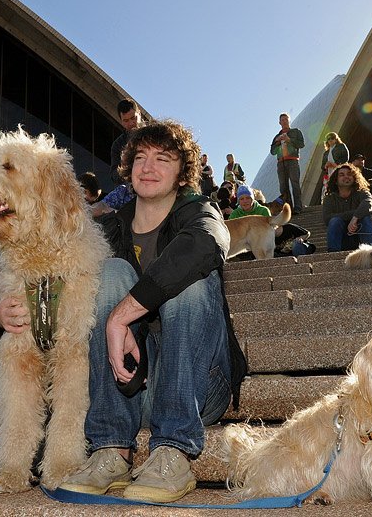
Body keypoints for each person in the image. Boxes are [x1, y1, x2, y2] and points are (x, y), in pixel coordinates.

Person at [53, 120, 246, 503]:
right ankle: (111, 449)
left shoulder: (199, 212)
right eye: (140, 157)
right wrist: (14, 308)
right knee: (107, 271)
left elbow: (206, 244)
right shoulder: (110, 229)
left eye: (163, 158)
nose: (148, 166)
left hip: (199, 388)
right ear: (128, 169)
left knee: (190, 277)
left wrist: (122, 315)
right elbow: (58, 274)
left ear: (182, 173)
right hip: (132, 388)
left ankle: (173, 451)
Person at [323, 164, 372, 252]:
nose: (346, 176)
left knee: (365, 218)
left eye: (349, 174)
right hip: (341, 239)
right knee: (335, 221)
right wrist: (354, 214)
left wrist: (356, 218)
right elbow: (327, 218)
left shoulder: (362, 192)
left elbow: (368, 203)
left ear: (354, 177)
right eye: (342, 175)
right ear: (336, 181)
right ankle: (333, 253)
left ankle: (371, 251)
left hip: (360, 235)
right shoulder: (329, 199)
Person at [270, 113, 305, 213]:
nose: (284, 121)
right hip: (281, 162)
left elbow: (301, 144)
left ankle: (298, 206)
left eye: (286, 119)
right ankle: (288, 207)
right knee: (283, 186)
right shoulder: (277, 136)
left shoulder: (296, 132)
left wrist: (289, 140)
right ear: (279, 122)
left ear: (289, 121)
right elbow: (273, 152)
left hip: (292, 160)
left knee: (295, 183)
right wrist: (277, 142)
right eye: (282, 120)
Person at [110, 99, 143, 186]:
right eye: (126, 121)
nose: (131, 123)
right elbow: (114, 176)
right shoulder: (117, 145)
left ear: (139, 114)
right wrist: (124, 168)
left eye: (133, 118)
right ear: (121, 121)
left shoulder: (154, 135)